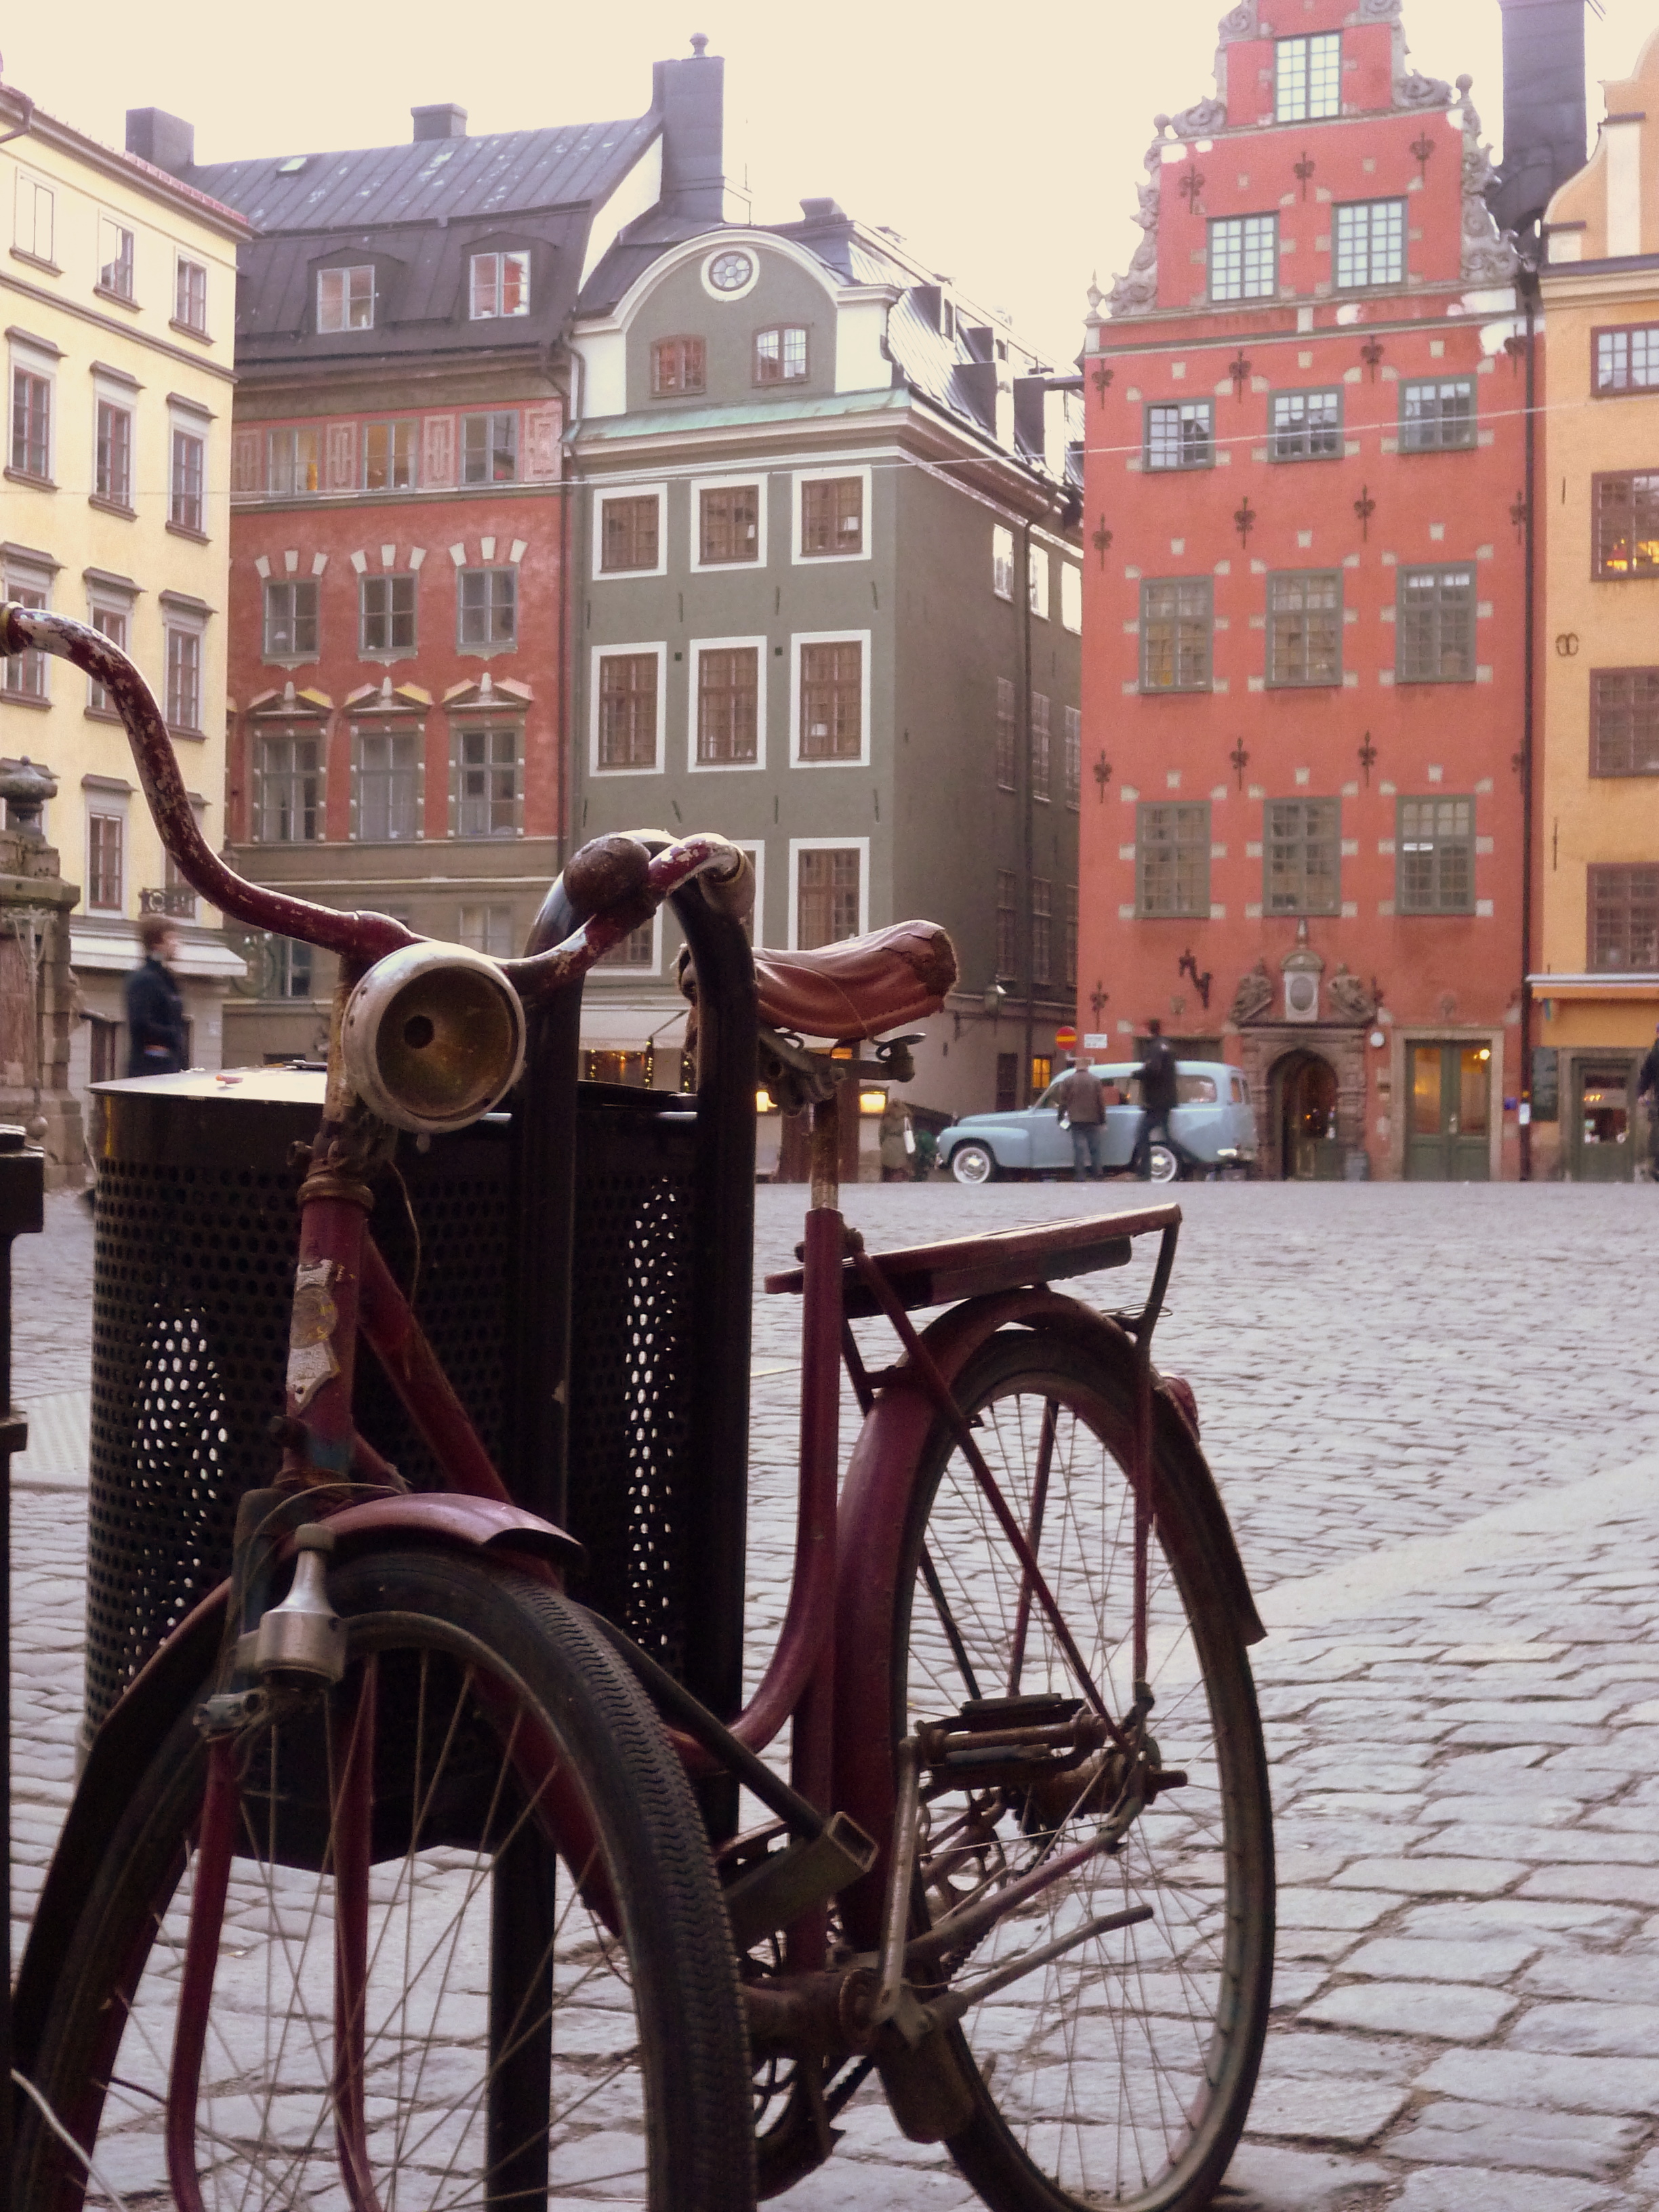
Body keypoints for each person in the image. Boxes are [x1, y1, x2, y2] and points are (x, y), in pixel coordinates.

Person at [125, 915, 188, 1078]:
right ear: (156, 944)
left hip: (169, 1066)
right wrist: (173, 1036)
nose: (177, 944)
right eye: (171, 938)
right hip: (152, 1068)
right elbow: (140, 1023)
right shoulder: (145, 980)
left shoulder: (166, 978)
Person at [1129, 1018, 1179, 1181]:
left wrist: (1137, 1075)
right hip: (1166, 1099)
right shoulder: (1167, 1045)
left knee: (1142, 1134)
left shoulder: (1155, 1047)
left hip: (1156, 1100)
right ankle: (1187, 1159)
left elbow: (1153, 1069)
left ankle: (1145, 1171)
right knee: (1166, 1136)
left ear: (1149, 1029)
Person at [1054, 1052, 1107, 1181]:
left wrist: (1060, 1117)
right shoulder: (1096, 1081)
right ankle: (1097, 1173)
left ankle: (1080, 1175)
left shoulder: (1068, 1081)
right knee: (1095, 1147)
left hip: (1076, 1119)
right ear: (1087, 1067)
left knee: (1079, 1148)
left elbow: (1063, 1102)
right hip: (1093, 1119)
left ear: (1076, 1067)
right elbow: (1101, 1102)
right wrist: (1103, 1120)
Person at [1639, 1021, 1659, 1178]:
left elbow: (1646, 1075)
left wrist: (1640, 1093)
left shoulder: (1655, 1052)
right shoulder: (1655, 1052)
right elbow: (1646, 1075)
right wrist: (1640, 1093)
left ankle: (1657, 1166)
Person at [878, 1092, 914, 1182]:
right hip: (901, 1144)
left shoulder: (886, 1118)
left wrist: (883, 1145)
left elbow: (881, 1135)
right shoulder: (905, 1118)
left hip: (887, 1144)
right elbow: (909, 1132)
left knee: (887, 1170)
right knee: (900, 1168)